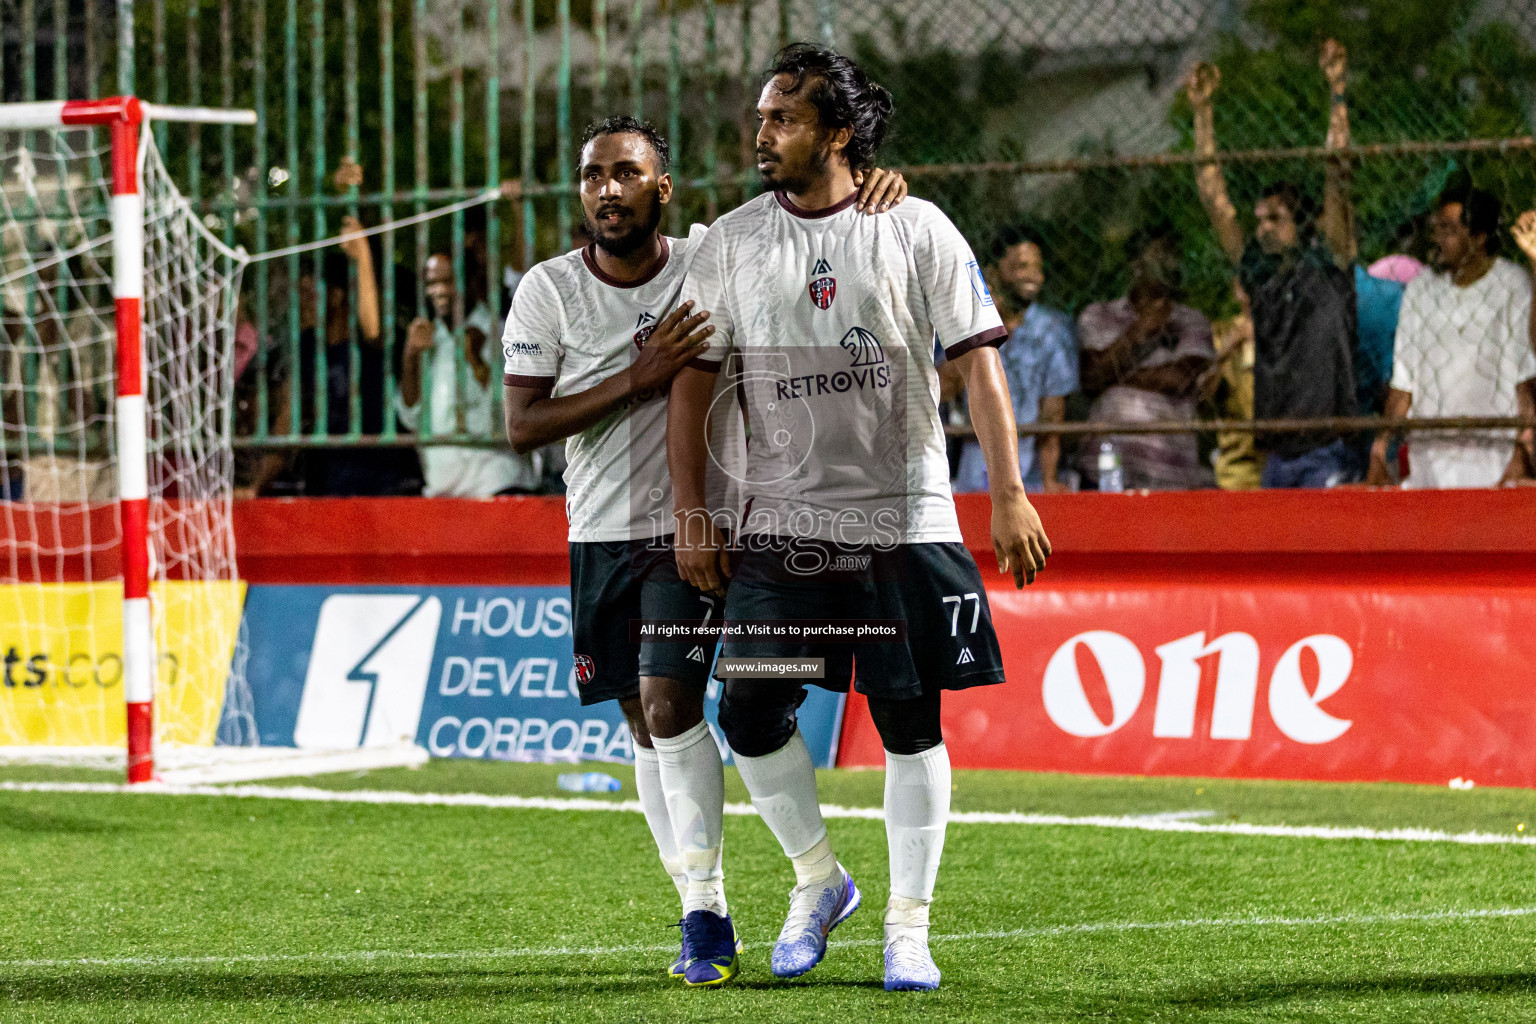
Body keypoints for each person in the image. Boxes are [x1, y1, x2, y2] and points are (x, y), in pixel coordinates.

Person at [668, 43, 1050, 993]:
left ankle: (908, 929)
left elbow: (978, 359)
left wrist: (1005, 491)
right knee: (749, 710)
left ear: (838, 133)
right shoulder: (730, 243)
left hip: (902, 519)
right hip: (783, 531)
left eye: (784, 118)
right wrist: (693, 512)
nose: (762, 133)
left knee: (908, 722)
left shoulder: (914, 224)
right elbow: (695, 379)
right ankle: (818, 881)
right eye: (760, 117)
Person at [501, 114, 909, 988]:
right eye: (591, 174)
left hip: (696, 530)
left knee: (669, 701)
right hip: (600, 529)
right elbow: (522, 425)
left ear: (662, 188)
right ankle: (733, 896)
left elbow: (804, 218)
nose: (605, 189)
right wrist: (635, 379)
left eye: (624, 173)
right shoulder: (548, 291)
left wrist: (880, 190)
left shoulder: (707, 258)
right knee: (646, 727)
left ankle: (708, 911)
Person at [1188, 57, 1359, 488]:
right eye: (1260, 219)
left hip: (1327, 450)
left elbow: (1337, 174)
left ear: (1302, 223)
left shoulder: (1329, 268)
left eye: (1275, 219)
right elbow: (1214, 198)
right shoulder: (1261, 277)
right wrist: (1202, 113)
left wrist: (1337, 92)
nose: (1262, 229)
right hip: (1277, 457)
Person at [1366, 185, 1536, 488]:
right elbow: (1403, 383)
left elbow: (1524, 381)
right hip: (1429, 464)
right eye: (1437, 229)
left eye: (1449, 230)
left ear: (1479, 237)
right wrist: (1379, 450)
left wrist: (1522, 451)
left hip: (1494, 462)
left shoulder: (1511, 285)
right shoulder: (1421, 290)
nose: (1438, 239)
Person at [1077, 226, 1214, 490]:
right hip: (1104, 469)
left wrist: (1114, 375)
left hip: (1171, 472)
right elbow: (1091, 378)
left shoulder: (1192, 320)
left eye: (1174, 255)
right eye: (1160, 254)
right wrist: (1141, 331)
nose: (1170, 263)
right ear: (1135, 262)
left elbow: (1179, 379)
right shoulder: (1098, 315)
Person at [400, 252, 541, 496]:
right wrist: (410, 356)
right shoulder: (429, 339)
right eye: (432, 283)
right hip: (444, 494)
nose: (439, 290)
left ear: (470, 282)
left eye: (448, 281)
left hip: (495, 486)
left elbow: (515, 414)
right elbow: (410, 418)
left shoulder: (504, 333)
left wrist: (477, 361)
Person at [948, 227, 1076, 493]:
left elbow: (1053, 413)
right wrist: (979, 327)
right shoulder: (967, 320)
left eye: (1037, 268)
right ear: (994, 273)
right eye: (1021, 266)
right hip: (974, 471)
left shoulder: (1052, 330)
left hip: (1029, 475)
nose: (1034, 276)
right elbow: (944, 386)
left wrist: (1048, 479)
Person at [1203, 279, 1263, 489]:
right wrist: (1228, 349)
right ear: (1236, 289)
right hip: (1236, 468)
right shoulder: (1221, 333)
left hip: (1281, 463)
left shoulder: (1286, 330)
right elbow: (1203, 394)